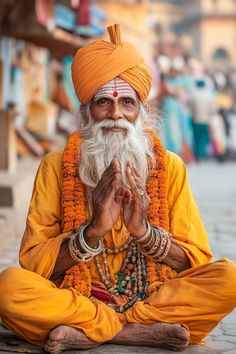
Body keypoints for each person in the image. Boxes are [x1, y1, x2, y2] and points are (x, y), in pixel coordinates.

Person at [0, 24, 235, 354]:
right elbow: (35, 265)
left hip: (152, 294)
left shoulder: (170, 166)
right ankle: (136, 331)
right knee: (9, 288)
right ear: (86, 112)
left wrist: (143, 231)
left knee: (229, 279)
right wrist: (93, 231)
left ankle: (92, 330)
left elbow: (193, 263)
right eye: (102, 103)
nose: (115, 115)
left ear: (141, 111)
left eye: (127, 102)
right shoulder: (56, 166)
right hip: (78, 295)